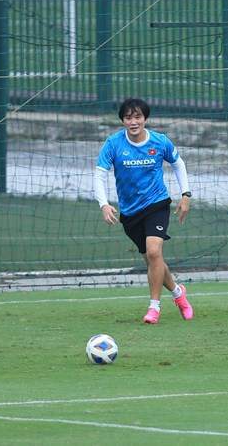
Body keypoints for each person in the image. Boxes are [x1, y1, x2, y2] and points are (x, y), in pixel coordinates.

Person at [93, 97, 194, 324]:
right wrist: (104, 203)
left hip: (157, 203)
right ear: (122, 121)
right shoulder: (113, 144)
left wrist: (185, 195)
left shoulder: (159, 141)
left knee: (155, 252)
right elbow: (99, 175)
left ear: (145, 118)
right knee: (152, 260)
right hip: (129, 211)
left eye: (138, 116)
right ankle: (178, 294)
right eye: (128, 117)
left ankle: (154, 308)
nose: (133, 121)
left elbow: (179, 164)